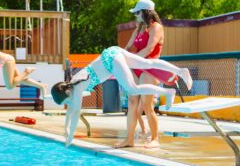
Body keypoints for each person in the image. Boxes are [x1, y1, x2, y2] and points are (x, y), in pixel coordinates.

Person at [51, 46, 192, 148]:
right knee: (147, 63)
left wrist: (70, 137)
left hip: (111, 61)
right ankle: (180, 71)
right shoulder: (72, 83)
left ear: (67, 94)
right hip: (112, 52)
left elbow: (75, 112)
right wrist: (66, 129)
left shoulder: (76, 89)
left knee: (134, 89)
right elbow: (71, 110)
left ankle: (168, 92)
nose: (70, 103)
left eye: (67, 100)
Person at [119, 0, 166, 148]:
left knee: (147, 105)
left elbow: (149, 49)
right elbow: (128, 47)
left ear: (146, 12)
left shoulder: (156, 28)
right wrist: (122, 56)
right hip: (136, 67)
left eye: (137, 12)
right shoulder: (139, 28)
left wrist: (133, 59)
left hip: (149, 68)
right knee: (132, 103)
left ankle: (155, 139)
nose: (135, 15)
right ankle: (129, 139)